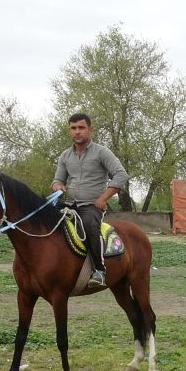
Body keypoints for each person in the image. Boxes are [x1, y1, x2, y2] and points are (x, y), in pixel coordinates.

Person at [51, 113, 129, 289]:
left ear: (90, 130)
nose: (77, 132)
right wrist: (57, 186)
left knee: (89, 226)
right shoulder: (65, 156)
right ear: (69, 130)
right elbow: (57, 180)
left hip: (91, 206)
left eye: (81, 128)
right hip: (68, 205)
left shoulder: (101, 152)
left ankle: (99, 271)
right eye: (73, 128)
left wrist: (103, 198)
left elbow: (121, 174)